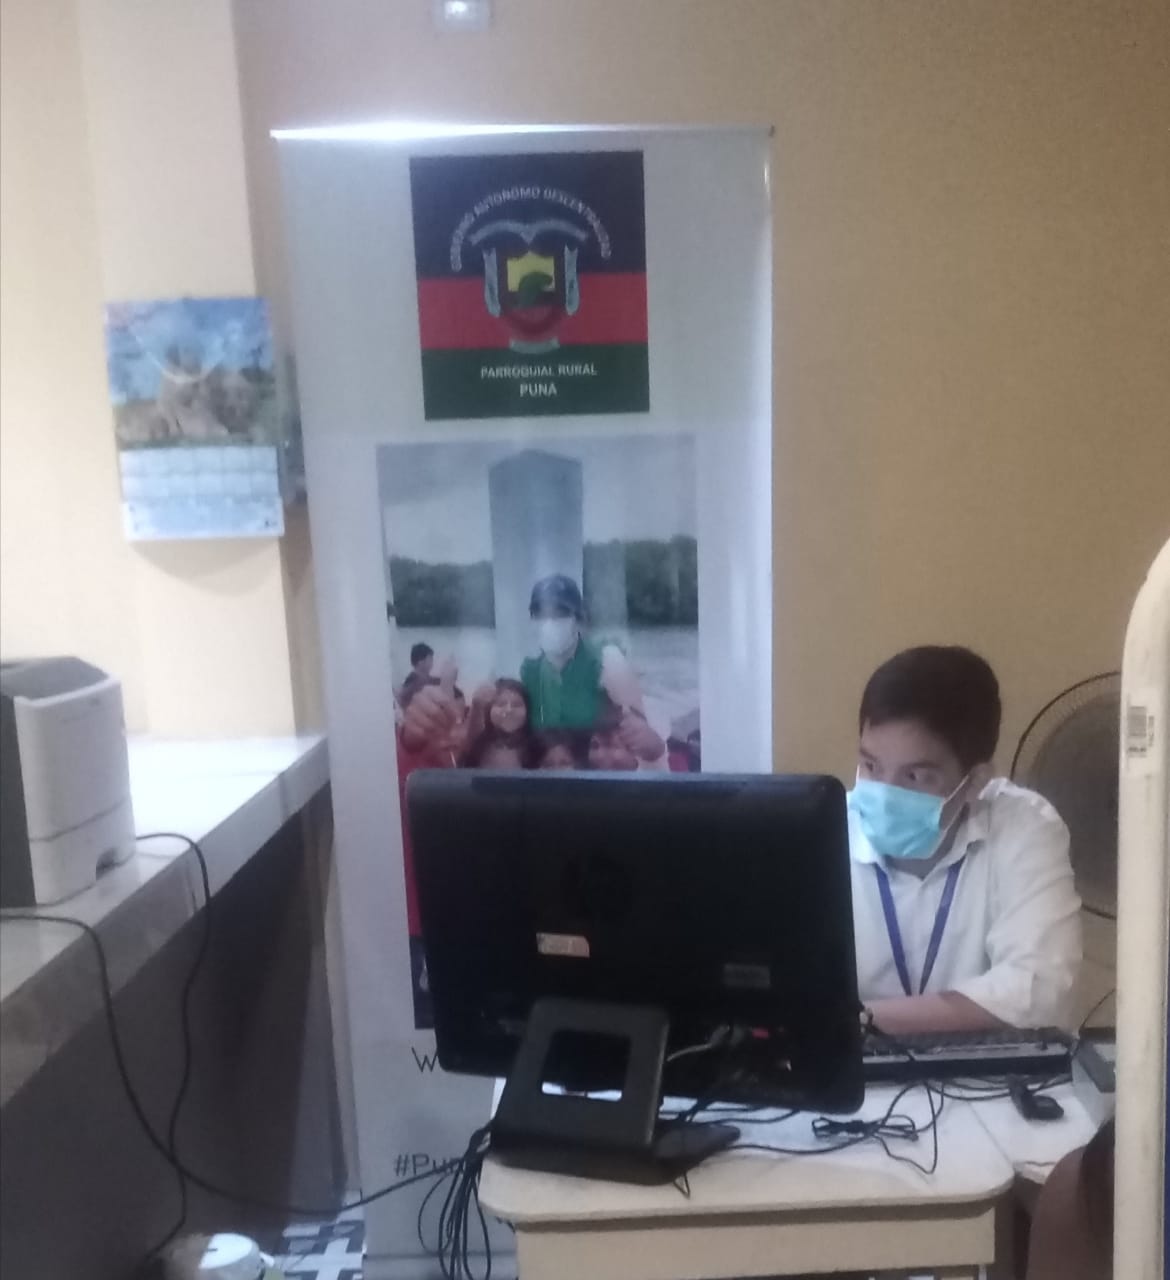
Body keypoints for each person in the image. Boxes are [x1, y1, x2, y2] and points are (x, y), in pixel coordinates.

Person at [848, 645, 1082, 1036]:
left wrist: (857, 1019)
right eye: (871, 766)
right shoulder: (824, 833)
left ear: (974, 782)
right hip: (852, 1069)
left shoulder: (1024, 827)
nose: (884, 794)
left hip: (988, 1068)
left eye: (914, 777)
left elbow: (1040, 990)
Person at [519, 574, 666, 764]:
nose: (549, 622)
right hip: (550, 775)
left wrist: (650, 744)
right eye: (541, 613)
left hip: (596, 777)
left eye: (560, 613)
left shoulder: (608, 661)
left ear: (578, 618)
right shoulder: (529, 672)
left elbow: (646, 744)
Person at [462, 678, 537, 769]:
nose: (509, 710)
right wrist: (477, 705)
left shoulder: (537, 747)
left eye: (517, 705)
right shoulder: (477, 744)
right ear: (489, 711)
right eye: (501, 704)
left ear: (527, 711)